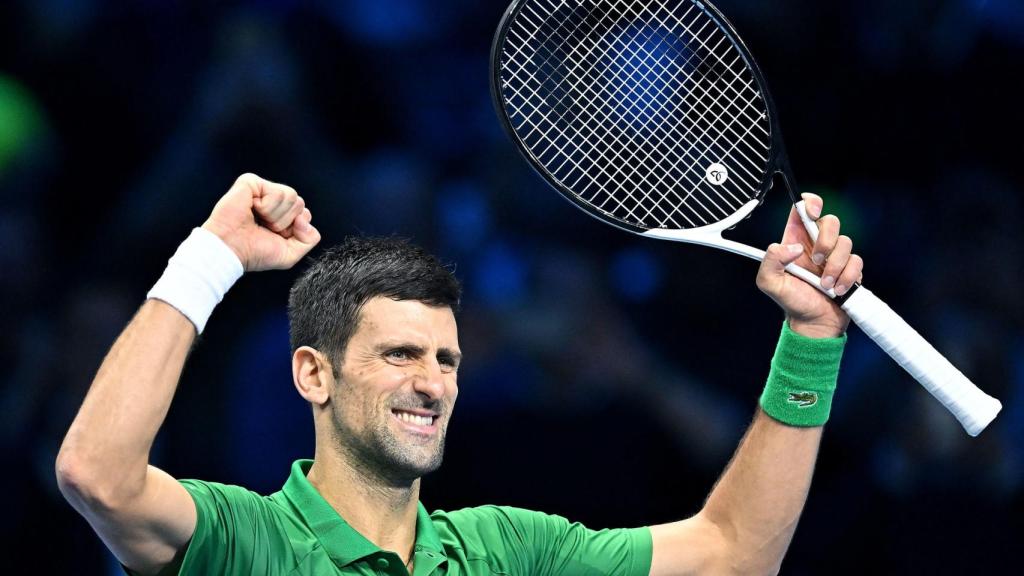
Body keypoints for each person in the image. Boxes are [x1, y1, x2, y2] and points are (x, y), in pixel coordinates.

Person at [57, 173, 863, 575]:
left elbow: (731, 553)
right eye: (399, 355)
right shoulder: (248, 538)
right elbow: (99, 476)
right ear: (314, 375)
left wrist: (811, 337)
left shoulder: (505, 549)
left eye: (446, 359)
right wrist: (211, 257)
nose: (433, 383)